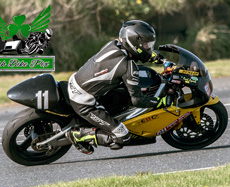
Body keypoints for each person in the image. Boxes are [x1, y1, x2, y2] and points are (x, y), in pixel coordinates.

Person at [67, 20, 171, 154]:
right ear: (135, 43)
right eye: (146, 45)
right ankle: (78, 135)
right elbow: (138, 101)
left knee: (123, 98)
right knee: (122, 136)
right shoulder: (127, 66)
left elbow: (137, 54)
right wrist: (159, 102)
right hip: (84, 102)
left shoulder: (114, 44)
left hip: (77, 83)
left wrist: (153, 57)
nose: (148, 48)